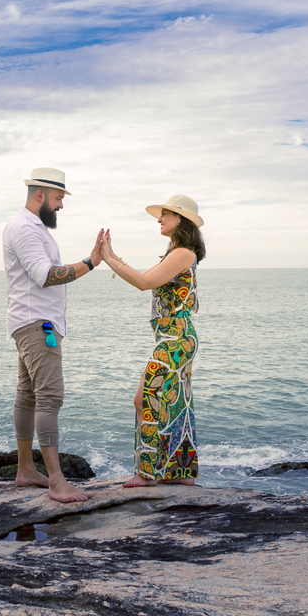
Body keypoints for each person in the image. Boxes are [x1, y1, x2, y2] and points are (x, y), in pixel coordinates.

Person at [3, 167, 103, 502]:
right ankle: (57, 482)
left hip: (30, 321)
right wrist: (91, 262)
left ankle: (26, 470)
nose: (61, 205)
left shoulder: (33, 229)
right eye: (59, 198)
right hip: (37, 324)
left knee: (28, 396)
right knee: (49, 397)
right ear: (41, 194)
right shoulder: (24, 229)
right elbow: (45, 276)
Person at [101, 194, 205, 487]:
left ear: (180, 220)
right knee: (178, 405)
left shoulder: (183, 253)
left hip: (177, 338)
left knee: (145, 399)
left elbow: (144, 283)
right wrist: (113, 256)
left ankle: (146, 474)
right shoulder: (176, 254)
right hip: (174, 337)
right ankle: (180, 474)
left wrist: (109, 258)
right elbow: (146, 277)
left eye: (165, 214)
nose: (159, 219)